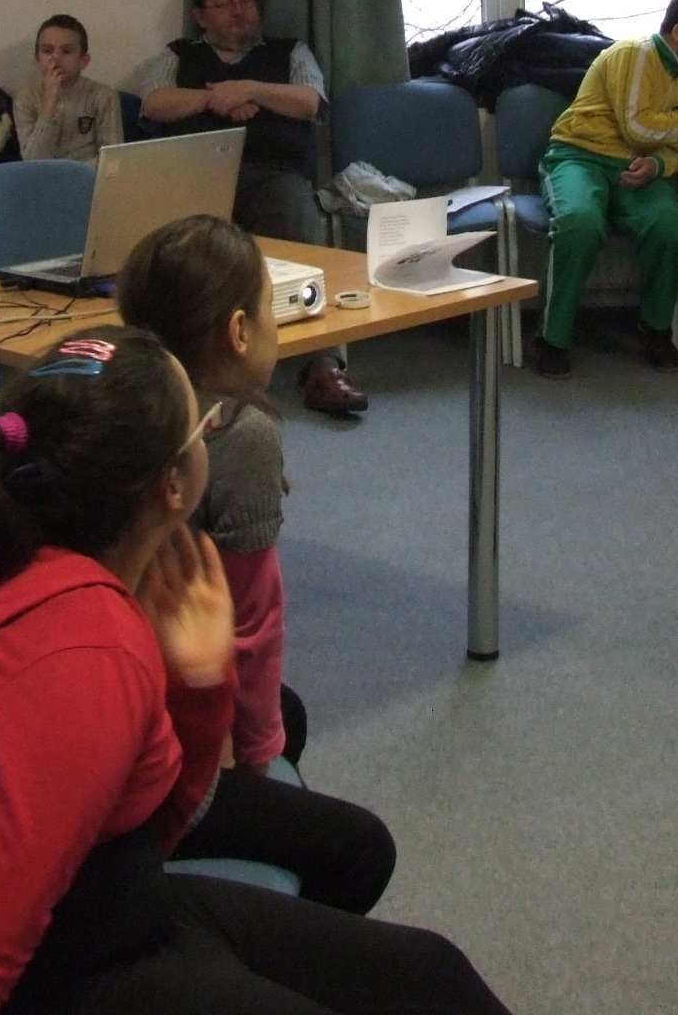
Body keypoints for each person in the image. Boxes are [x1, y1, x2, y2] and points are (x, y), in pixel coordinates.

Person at [0, 330, 511, 1015]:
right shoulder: (82, 653)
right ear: (173, 484)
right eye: (204, 423)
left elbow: (149, 829)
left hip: (97, 893)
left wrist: (200, 689)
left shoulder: (25, 555)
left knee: (430, 972)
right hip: (26, 962)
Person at [117, 217, 393, 906]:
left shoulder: (133, 402)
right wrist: (255, 758)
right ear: (240, 332)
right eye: (273, 308)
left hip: (132, 683)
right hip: (161, 733)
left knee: (291, 711)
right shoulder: (241, 436)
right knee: (361, 845)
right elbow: (251, 623)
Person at [139, 0, 364, 418]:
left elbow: (309, 101)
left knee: (302, 231)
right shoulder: (178, 54)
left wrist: (251, 89)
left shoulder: (290, 51)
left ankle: (323, 366)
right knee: (179, 252)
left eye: (246, 1)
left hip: (272, 175)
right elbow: (154, 102)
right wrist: (215, 98)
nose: (239, 11)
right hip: (198, 174)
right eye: (225, 3)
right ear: (200, 17)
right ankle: (181, 371)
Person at [532, 0, 678, 380]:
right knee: (579, 223)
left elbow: (677, 147)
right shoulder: (636, 53)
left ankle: (655, 329)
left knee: (668, 225)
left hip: (636, 168)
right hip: (578, 156)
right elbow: (637, 125)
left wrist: (656, 164)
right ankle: (553, 339)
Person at [15, 13, 127, 165]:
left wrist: (74, 172)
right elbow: (32, 161)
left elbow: (112, 157)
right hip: (44, 176)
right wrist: (48, 107)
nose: (55, 58)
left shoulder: (103, 96)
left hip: (88, 174)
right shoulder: (25, 99)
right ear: (37, 59)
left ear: (84, 60)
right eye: (47, 51)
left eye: (66, 51)